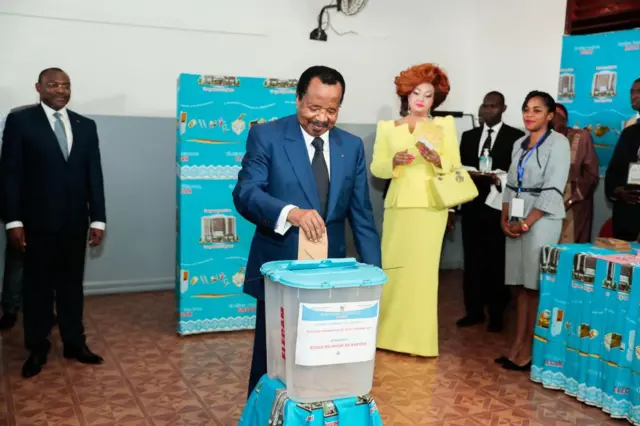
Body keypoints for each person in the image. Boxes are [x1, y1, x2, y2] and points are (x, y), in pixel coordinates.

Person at [233, 66, 381, 397]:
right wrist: (290, 213)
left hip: (333, 276)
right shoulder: (267, 136)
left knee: (329, 362)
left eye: (332, 109)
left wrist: (374, 276)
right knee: (273, 361)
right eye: (314, 107)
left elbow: (361, 214)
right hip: (281, 270)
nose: (322, 117)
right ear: (298, 98)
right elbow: (246, 193)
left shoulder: (351, 145)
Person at [0, 68, 106, 378]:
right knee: (38, 287)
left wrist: (98, 218)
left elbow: (93, 175)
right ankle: (37, 346)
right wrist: (13, 221)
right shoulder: (21, 121)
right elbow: (10, 174)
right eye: (53, 84)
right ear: (39, 88)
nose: (60, 89)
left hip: (75, 222)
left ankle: (74, 343)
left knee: (72, 285)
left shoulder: (86, 126)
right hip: (35, 222)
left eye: (66, 85)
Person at [370, 63, 458, 357]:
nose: (421, 99)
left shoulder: (445, 126)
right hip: (397, 207)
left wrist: (436, 160)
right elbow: (377, 169)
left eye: (428, 94)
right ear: (406, 94)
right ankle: (387, 336)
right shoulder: (386, 128)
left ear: (436, 99)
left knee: (423, 276)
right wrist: (394, 161)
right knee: (393, 272)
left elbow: (454, 168)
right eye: (416, 92)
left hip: (431, 210)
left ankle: (420, 343)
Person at [497, 91, 570, 371]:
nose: (530, 114)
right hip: (517, 216)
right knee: (517, 285)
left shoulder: (559, 143)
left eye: (537, 110)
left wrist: (528, 221)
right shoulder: (519, 143)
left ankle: (529, 349)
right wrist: (505, 219)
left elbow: (554, 187)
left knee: (533, 286)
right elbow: (510, 185)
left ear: (550, 116)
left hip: (542, 218)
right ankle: (516, 345)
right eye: (527, 109)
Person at [457, 92, 524, 332]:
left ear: (503, 108)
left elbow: (517, 172)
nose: (487, 110)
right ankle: (473, 311)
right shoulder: (468, 136)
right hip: (473, 206)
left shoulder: (515, 137)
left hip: (498, 208)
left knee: (497, 262)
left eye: (492, 106)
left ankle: (497, 314)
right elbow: (458, 170)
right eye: (484, 105)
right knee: (473, 261)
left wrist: (499, 178)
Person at [553, 104, 599, 244]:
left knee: (569, 252)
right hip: (546, 206)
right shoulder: (542, 139)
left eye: (557, 118)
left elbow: (591, 176)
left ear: (565, 120)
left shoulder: (581, 137)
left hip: (574, 206)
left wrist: (570, 200)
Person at [604, 122, 640, 241]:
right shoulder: (629, 133)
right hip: (628, 216)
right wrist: (617, 190)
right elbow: (613, 172)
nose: (632, 101)